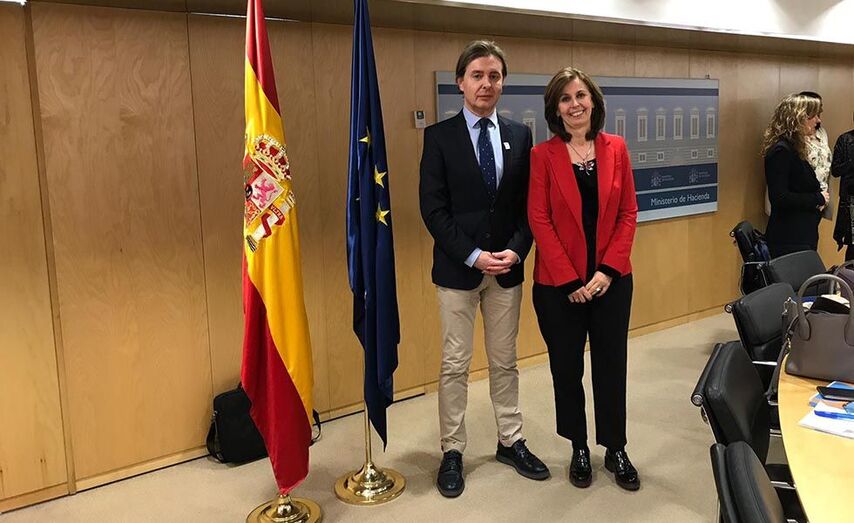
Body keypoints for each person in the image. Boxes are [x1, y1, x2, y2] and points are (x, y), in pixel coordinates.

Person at [419, 40, 549, 498]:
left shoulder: (520, 135)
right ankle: (452, 450)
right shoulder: (439, 137)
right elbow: (433, 210)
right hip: (458, 271)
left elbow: (529, 206)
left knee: (505, 361)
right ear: (460, 82)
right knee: (455, 364)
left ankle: (510, 441)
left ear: (502, 83)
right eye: (477, 75)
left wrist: (516, 250)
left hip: (506, 271)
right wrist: (474, 255)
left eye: (494, 76)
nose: (486, 84)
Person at [527, 67, 639, 491]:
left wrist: (607, 270)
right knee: (567, 367)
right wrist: (570, 279)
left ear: (594, 101)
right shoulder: (543, 156)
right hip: (560, 287)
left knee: (611, 365)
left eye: (580, 96)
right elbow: (539, 219)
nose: (574, 105)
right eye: (565, 99)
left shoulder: (617, 148)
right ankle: (578, 446)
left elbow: (628, 212)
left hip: (612, 282)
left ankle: (615, 447)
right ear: (555, 109)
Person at [762, 94, 829, 258]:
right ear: (797, 118)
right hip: (789, 237)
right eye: (812, 116)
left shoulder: (794, 148)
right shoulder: (781, 151)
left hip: (802, 232)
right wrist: (817, 198)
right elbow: (780, 197)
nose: (817, 121)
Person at [799, 91, 833, 221]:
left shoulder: (821, 133)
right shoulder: (797, 138)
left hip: (821, 199)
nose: (820, 111)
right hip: (804, 199)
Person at [832, 115, 854, 259]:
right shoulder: (845, 140)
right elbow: (835, 170)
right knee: (852, 245)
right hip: (850, 200)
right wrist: (851, 162)